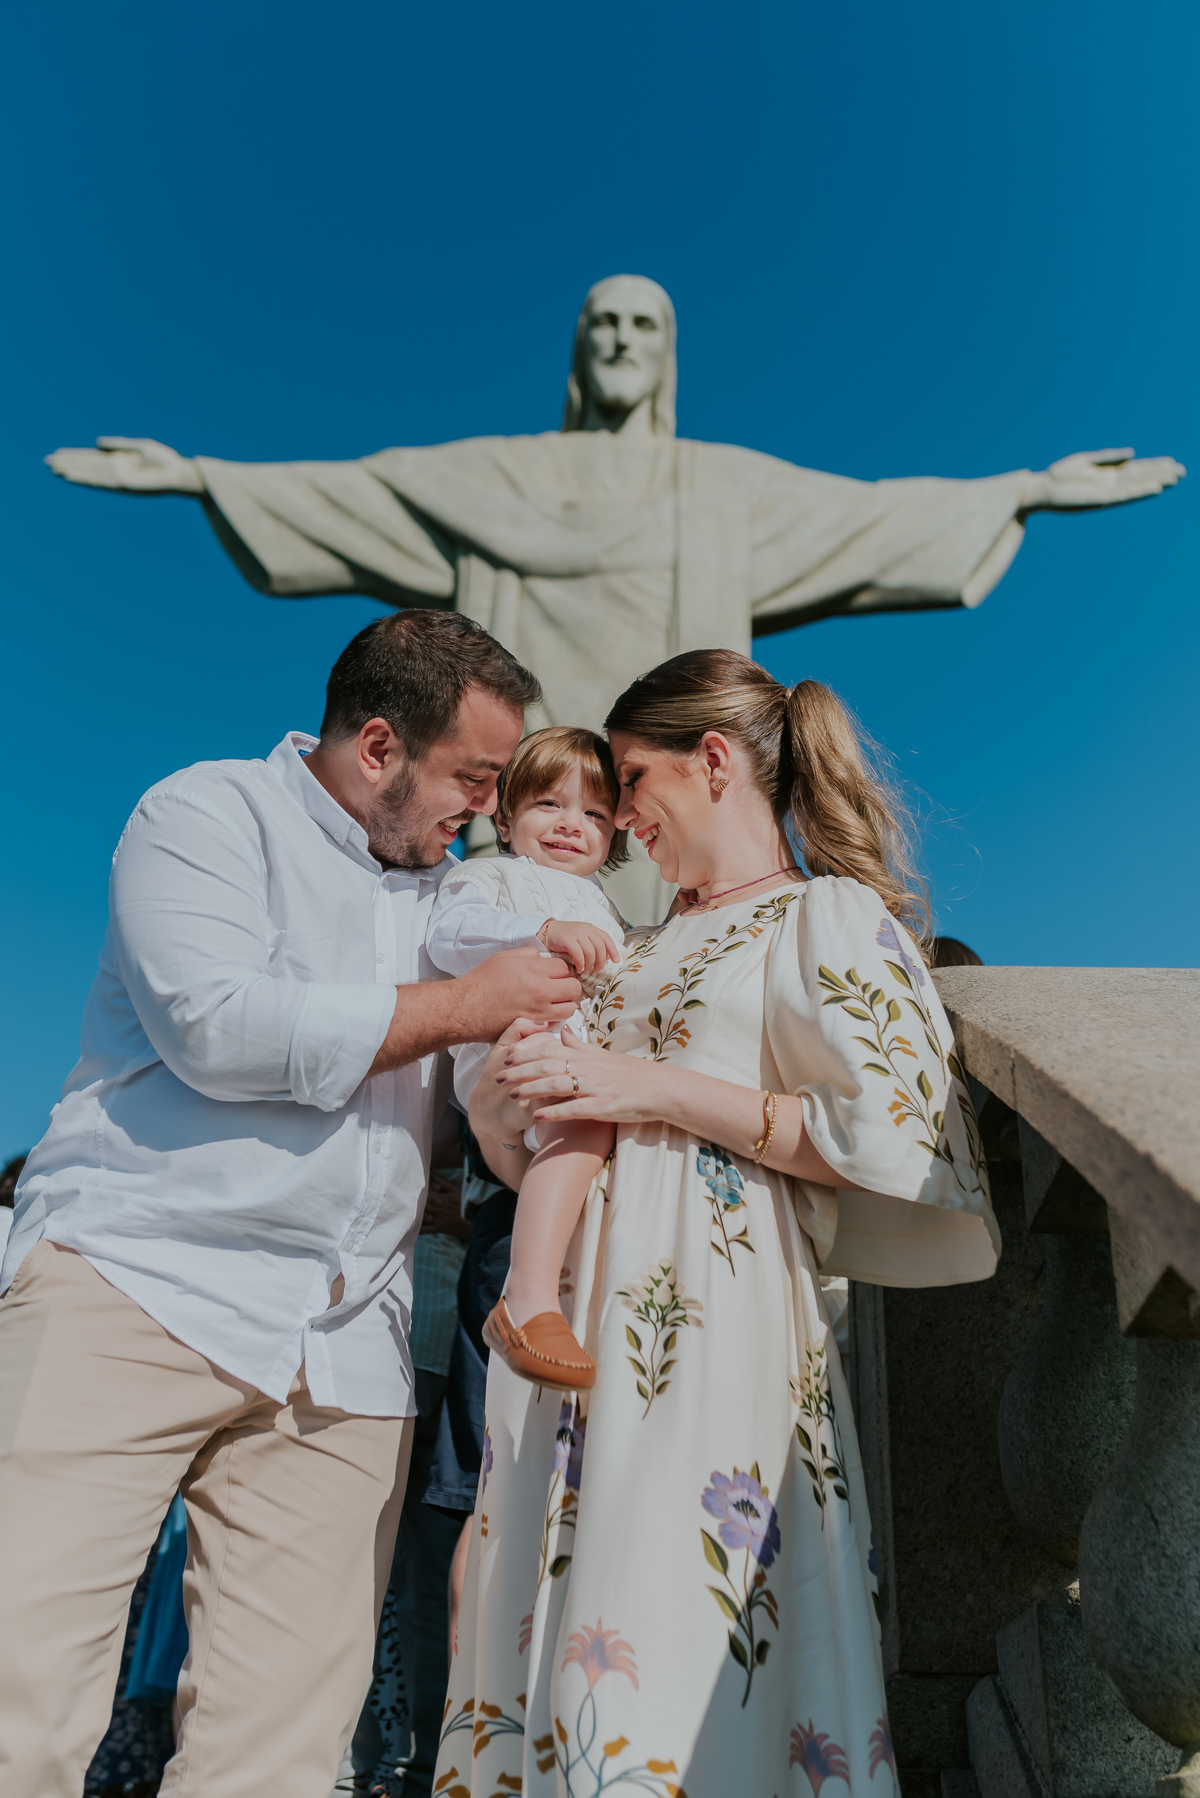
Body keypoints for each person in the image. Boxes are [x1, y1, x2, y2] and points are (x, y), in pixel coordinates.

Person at [0, 607, 583, 1798]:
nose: (484, 807)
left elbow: (491, 1104)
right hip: (132, 1285)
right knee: (20, 1695)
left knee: (280, 1757)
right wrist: (472, 1006)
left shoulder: (456, 898)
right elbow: (218, 1025)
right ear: (379, 748)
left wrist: (558, 1085)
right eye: (472, 778)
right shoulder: (203, 815)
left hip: (345, 1361)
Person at [439, 649, 1000, 1798]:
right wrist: (509, 1096)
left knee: (668, 1616)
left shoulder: (821, 916)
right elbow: (520, 1143)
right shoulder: (624, 945)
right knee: (552, 1620)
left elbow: (895, 1136)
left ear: (714, 761)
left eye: (633, 778)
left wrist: (647, 1090)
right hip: (566, 1335)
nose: (620, 812)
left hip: (710, 1312)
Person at [425, 727, 628, 1390]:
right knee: (586, 1119)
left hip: (571, 1060)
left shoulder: (604, 905)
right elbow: (449, 936)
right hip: (514, 1047)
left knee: (594, 1126)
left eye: (595, 813)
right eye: (549, 804)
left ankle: (543, 1296)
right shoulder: (489, 875)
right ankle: (527, 1298)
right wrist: (539, 931)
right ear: (506, 817)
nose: (573, 824)